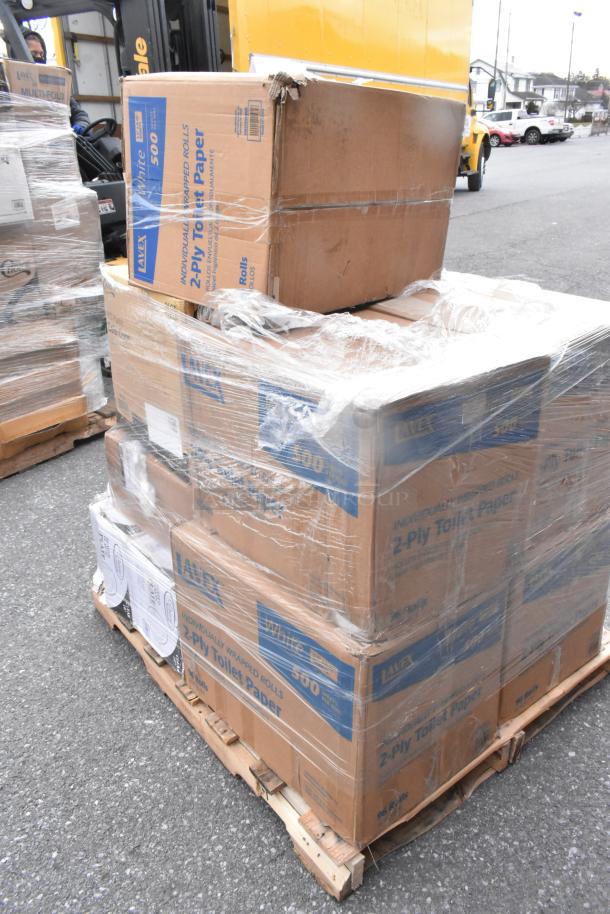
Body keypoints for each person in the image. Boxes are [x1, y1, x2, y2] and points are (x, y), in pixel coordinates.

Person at [22, 29, 90, 134]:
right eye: (34, 53)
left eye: (41, 54)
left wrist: (81, 124)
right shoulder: (11, 85)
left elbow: (79, 113)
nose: (39, 57)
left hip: (61, 142)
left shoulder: (52, 83)